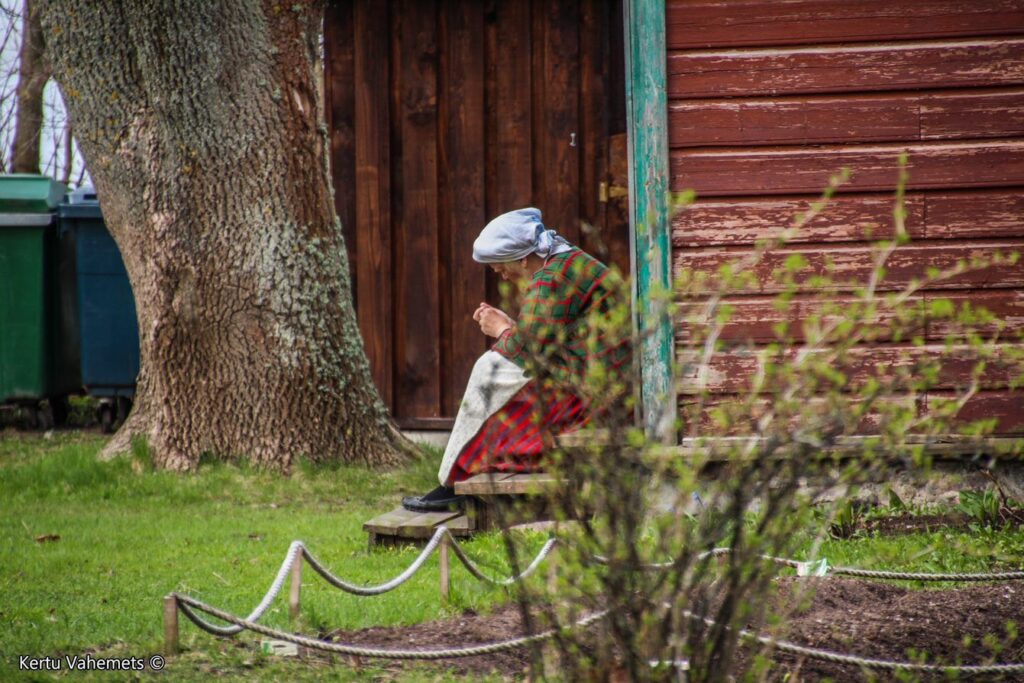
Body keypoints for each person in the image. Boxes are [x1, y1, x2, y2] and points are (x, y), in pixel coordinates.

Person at [402, 207, 631, 512]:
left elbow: (528, 352)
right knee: (500, 382)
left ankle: (457, 480)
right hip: (600, 379)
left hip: (595, 396)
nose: (503, 276)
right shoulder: (567, 261)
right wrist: (511, 328)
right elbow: (545, 340)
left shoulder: (551, 278)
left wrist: (501, 329)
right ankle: (457, 479)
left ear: (523, 258)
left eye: (501, 268)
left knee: (490, 373)